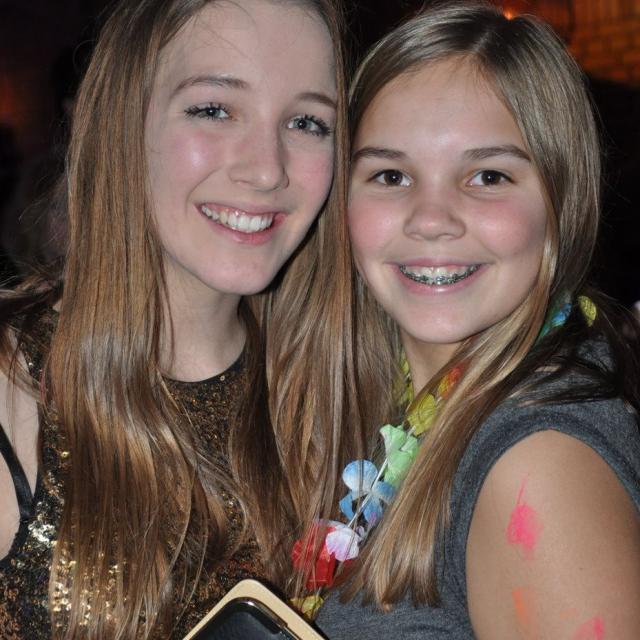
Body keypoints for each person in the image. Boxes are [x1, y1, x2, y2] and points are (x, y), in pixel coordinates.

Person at [0, 0, 351, 637]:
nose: (266, 169)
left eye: (307, 122)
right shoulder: (13, 386)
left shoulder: (341, 393)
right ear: (122, 121)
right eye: (214, 109)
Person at [312, 2, 640, 639]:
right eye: (390, 174)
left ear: (561, 200)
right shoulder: (402, 397)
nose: (431, 219)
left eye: (488, 176)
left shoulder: (540, 467)